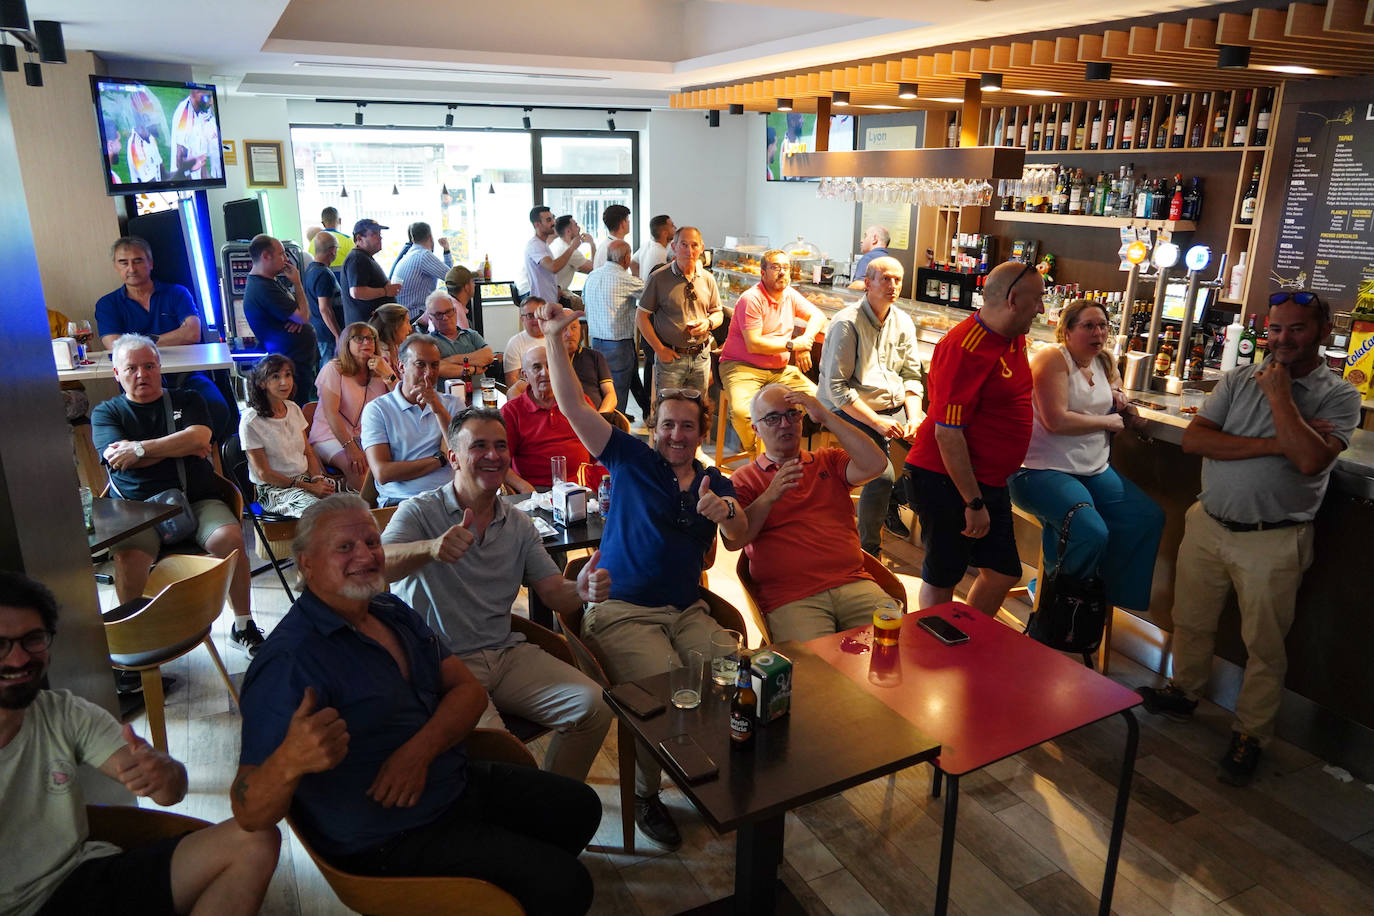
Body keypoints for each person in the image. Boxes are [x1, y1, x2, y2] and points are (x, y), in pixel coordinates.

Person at [232, 495, 600, 915]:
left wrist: (417, 753)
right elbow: (248, 813)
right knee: (567, 887)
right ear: (306, 563)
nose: (366, 556)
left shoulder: (389, 610)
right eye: (345, 547)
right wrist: (288, 762)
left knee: (579, 810)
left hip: (450, 782)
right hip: (390, 836)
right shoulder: (288, 663)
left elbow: (469, 692)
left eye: (371, 543)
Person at [538, 300, 748, 851]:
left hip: (687, 611)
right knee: (664, 688)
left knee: (728, 675)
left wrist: (728, 513)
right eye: (668, 424)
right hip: (623, 609)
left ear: (703, 433)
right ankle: (648, 793)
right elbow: (571, 403)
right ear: (655, 426)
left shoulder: (714, 480)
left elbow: (742, 534)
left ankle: (710, 770)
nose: (677, 434)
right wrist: (556, 339)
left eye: (688, 426)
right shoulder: (630, 458)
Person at [1137, 291, 1360, 787]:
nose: (1282, 338)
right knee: (1191, 620)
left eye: (1297, 328)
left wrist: (1281, 400)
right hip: (1209, 521)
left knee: (1264, 645)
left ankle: (1251, 735)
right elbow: (1196, 440)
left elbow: (1309, 461)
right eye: (1275, 328)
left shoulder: (1338, 397)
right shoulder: (1238, 380)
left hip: (1274, 539)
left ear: (1322, 332)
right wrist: (1282, 439)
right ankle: (1185, 691)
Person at [0, 572, 279, 916]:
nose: (18, 659)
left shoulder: (62, 713)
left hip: (84, 876)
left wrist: (162, 773)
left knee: (257, 841)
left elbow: (169, 793)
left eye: (33, 639)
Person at [381, 407, 612, 780]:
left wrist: (581, 590)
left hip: (505, 653)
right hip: (444, 666)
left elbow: (554, 592)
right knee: (503, 758)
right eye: (480, 446)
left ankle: (552, 802)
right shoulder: (419, 512)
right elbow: (378, 565)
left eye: (501, 446)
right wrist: (430, 548)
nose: (493, 455)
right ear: (453, 457)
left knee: (596, 706)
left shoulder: (519, 522)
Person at [92, 335, 265, 657]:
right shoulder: (106, 413)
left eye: (149, 366)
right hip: (135, 509)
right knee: (129, 557)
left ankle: (243, 624)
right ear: (117, 373)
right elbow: (116, 457)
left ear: (160, 368)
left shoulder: (188, 398)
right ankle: (135, 638)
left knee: (230, 538)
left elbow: (200, 437)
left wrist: (140, 449)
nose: (141, 374)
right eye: (131, 368)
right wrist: (179, 445)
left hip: (197, 499)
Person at [1008, 299, 1164, 622]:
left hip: (1092, 470)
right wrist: (1107, 423)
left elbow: (1113, 392)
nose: (1098, 333)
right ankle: (1053, 606)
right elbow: (1055, 420)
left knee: (1146, 518)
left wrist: (1122, 401)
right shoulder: (1052, 358)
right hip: (1040, 470)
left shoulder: (1104, 361)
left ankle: (1095, 599)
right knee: (1089, 531)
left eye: (1103, 326)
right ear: (1066, 331)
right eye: (1088, 326)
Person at [904, 259, 1045, 615]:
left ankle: (963, 636)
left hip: (988, 480)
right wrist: (973, 502)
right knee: (944, 576)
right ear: (1013, 299)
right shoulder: (964, 347)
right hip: (947, 479)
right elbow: (947, 435)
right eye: (1037, 299)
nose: (1042, 308)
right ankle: (930, 653)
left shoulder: (1014, 336)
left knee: (1002, 572)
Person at [732, 385, 891, 642]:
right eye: (773, 418)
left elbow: (877, 464)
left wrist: (827, 416)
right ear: (756, 428)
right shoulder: (745, 479)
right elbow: (734, 539)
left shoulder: (828, 460)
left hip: (853, 583)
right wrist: (771, 495)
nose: (785, 424)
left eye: (793, 414)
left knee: (893, 647)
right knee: (816, 671)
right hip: (790, 597)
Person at [817, 256, 922, 558]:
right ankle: (867, 552)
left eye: (897, 280)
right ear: (868, 283)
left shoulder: (903, 321)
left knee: (940, 448)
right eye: (885, 279)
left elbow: (912, 376)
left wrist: (914, 416)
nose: (892, 286)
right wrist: (877, 422)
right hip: (850, 408)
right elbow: (838, 389)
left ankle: (894, 500)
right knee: (881, 474)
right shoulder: (847, 323)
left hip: (895, 406)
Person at [95, 236, 235, 441]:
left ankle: (201, 455)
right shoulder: (108, 304)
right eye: (123, 263)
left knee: (217, 408)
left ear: (150, 263)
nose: (131, 268)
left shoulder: (177, 293)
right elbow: (116, 346)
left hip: (188, 376)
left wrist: (137, 344)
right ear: (115, 267)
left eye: (138, 261)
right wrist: (168, 338)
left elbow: (192, 334)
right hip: (138, 382)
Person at [718, 249, 826, 453]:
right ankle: (760, 455)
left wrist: (806, 340)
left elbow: (818, 316)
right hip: (742, 368)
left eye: (786, 268)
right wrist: (794, 345)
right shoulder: (752, 299)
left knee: (821, 400)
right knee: (743, 413)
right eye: (776, 267)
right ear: (763, 272)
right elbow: (754, 344)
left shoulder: (790, 295)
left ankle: (790, 450)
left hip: (780, 370)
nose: (782, 272)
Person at [360, 335, 459, 506]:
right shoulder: (378, 410)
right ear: (401, 367)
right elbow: (383, 473)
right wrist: (440, 459)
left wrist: (438, 409)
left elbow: (461, 456)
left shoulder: (451, 404)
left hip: (449, 497)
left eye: (434, 365)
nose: (429, 372)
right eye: (420, 364)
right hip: (400, 501)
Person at [239, 354, 336, 517]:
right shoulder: (251, 421)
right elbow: (264, 473)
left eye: (287, 375)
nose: (284, 382)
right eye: (275, 376)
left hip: (305, 479)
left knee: (350, 504)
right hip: (274, 489)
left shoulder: (293, 408)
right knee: (321, 513)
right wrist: (310, 488)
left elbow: (308, 452)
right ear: (261, 383)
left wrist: (317, 479)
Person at [501, 346, 601, 493]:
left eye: (550, 366)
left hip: (581, 487)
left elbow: (602, 447)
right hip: (536, 491)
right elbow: (499, 461)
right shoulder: (511, 412)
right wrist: (525, 488)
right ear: (525, 375)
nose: (545, 373)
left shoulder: (579, 402)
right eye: (537, 367)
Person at [636, 226, 723, 393]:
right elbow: (641, 317)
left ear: (702, 248)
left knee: (697, 409)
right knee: (668, 409)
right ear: (674, 247)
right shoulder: (658, 278)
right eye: (683, 245)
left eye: (694, 245)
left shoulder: (708, 278)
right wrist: (659, 349)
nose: (689, 250)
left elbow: (717, 312)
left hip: (701, 356)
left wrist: (708, 323)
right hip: (671, 357)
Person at [310, 322, 394, 492]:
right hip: (330, 435)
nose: (367, 342)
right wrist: (351, 448)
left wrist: (387, 373)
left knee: (401, 458)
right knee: (355, 465)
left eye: (371, 338)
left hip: (366, 435)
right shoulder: (333, 369)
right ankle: (371, 512)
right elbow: (331, 414)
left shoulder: (380, 367)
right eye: (359, 338)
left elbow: (401, 400)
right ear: (346, 343)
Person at [243, 234, 319, 404]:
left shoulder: (271, 282)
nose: (285, 259)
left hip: (297, 363)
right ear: (265, 256)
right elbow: (303, 316)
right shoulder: (262, 287)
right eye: (281, 254)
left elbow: (301, 315)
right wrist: (298, 284)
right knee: (296, 413)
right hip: (288, 366)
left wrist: (299, 318)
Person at [583, 239, 646, 416]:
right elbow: (651, 295)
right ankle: (613, 430)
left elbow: (583, 300)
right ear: (626, 259)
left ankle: (646, 409)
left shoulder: (592, 276)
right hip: (618, 344)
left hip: (596, 341)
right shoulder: (626, 279)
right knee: (616, 392)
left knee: (603, 385)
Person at [522, 206, 588, 307]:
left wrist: (556, 288)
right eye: (548, 220)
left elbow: (548, 274)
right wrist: (572, 247)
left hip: (549, 300)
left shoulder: (545, 245)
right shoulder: (535, 245)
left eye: (553, 218)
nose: (553, 223)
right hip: (540, 303)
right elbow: (553, 267)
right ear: (537, 224)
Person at [424, 288, 495, 383]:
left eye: (448, 311)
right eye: (438, 314)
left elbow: (488, 356)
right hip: (446, 396)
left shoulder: (471, 335)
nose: (445, 317)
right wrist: (473, 369)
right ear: (430, 318)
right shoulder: (428, 342)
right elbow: (438, 368)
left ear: (455, 312)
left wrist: (451, 360)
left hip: (479, 393)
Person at [341, 219, 402, 326]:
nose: (380, 238)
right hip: (367, 329)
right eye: (374, 234)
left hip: (373, 327)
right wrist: (385, 291)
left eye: (379, 234)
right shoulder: (357, 259)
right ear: (359, 238)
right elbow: (357, 292)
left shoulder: (363, 257)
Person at [391, 221, 453, 321]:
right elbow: (452, 277)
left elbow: (448, 274)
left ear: (412, 239)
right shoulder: (423, 256)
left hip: (404, 316)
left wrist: (446, 250)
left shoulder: (410, 254)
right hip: (415, 317)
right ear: (430, 237)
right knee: (453, 315)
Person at [304, 231, 344, 363]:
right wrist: (338, 334)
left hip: (319, 331)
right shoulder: (324, 274)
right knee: (329, 371)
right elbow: (325, 308)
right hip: (328, 336)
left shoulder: (310, 270)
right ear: (332, 251)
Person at [565, 319, 616, 414]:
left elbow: (610, 394)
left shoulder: (595, 356)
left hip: (597, 417)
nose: (570, 334)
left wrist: (600, 418)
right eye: (563, 328)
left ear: (580, 329)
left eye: (574, 327)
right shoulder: (548, 359)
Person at [169, 87, 220, 179]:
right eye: (207, 97)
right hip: (184, 185)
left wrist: (205, 182)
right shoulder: (184, 118)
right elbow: (180, 161)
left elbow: (201, 157)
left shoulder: (201, 111)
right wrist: (192, 184)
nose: (211, 102)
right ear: (195, 93)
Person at [503, 296, 548, 396]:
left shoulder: (556, 339)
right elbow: (511, 381)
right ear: (522, 319)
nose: (536, 320)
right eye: (530, 316)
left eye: (539, 315)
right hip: (528, 398)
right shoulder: (515, 343)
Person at [548, 215, 595, 305]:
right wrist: (592, 244)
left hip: (554, 293)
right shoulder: (570, 251)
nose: (579, 228)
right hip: (560, 298)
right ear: (568, 231)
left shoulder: (557, 243)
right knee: (593, 306)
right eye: (576, 225)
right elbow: (594, 269)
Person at [368, 303, 413, 382]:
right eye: (407, 322)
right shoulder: (380, 357)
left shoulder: (396, 348)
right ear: (395, 326)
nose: (410, 329)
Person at [592, 203, 638, 273]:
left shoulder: (607, 244)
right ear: (622, 223)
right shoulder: (613, 249)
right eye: (627, 220)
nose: (629, 223)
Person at [847, 225, 892, 290]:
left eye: (865, 236)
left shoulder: (868, 258)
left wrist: (842, 295)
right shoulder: (889, 260)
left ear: (875, 239)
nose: (861, 240)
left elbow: (860, 284)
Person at [634, 213, 675, 277]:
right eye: (672, 226)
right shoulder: (662, 254)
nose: (675, 228)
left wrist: (642, 281)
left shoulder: (646, 244)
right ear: (664, 233)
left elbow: (633, 264)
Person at [319, 206, 354, 276]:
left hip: (321, 283)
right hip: (344, 284)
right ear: (340, 221)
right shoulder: (347, 240)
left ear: (323, 223)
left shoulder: (314, 241)